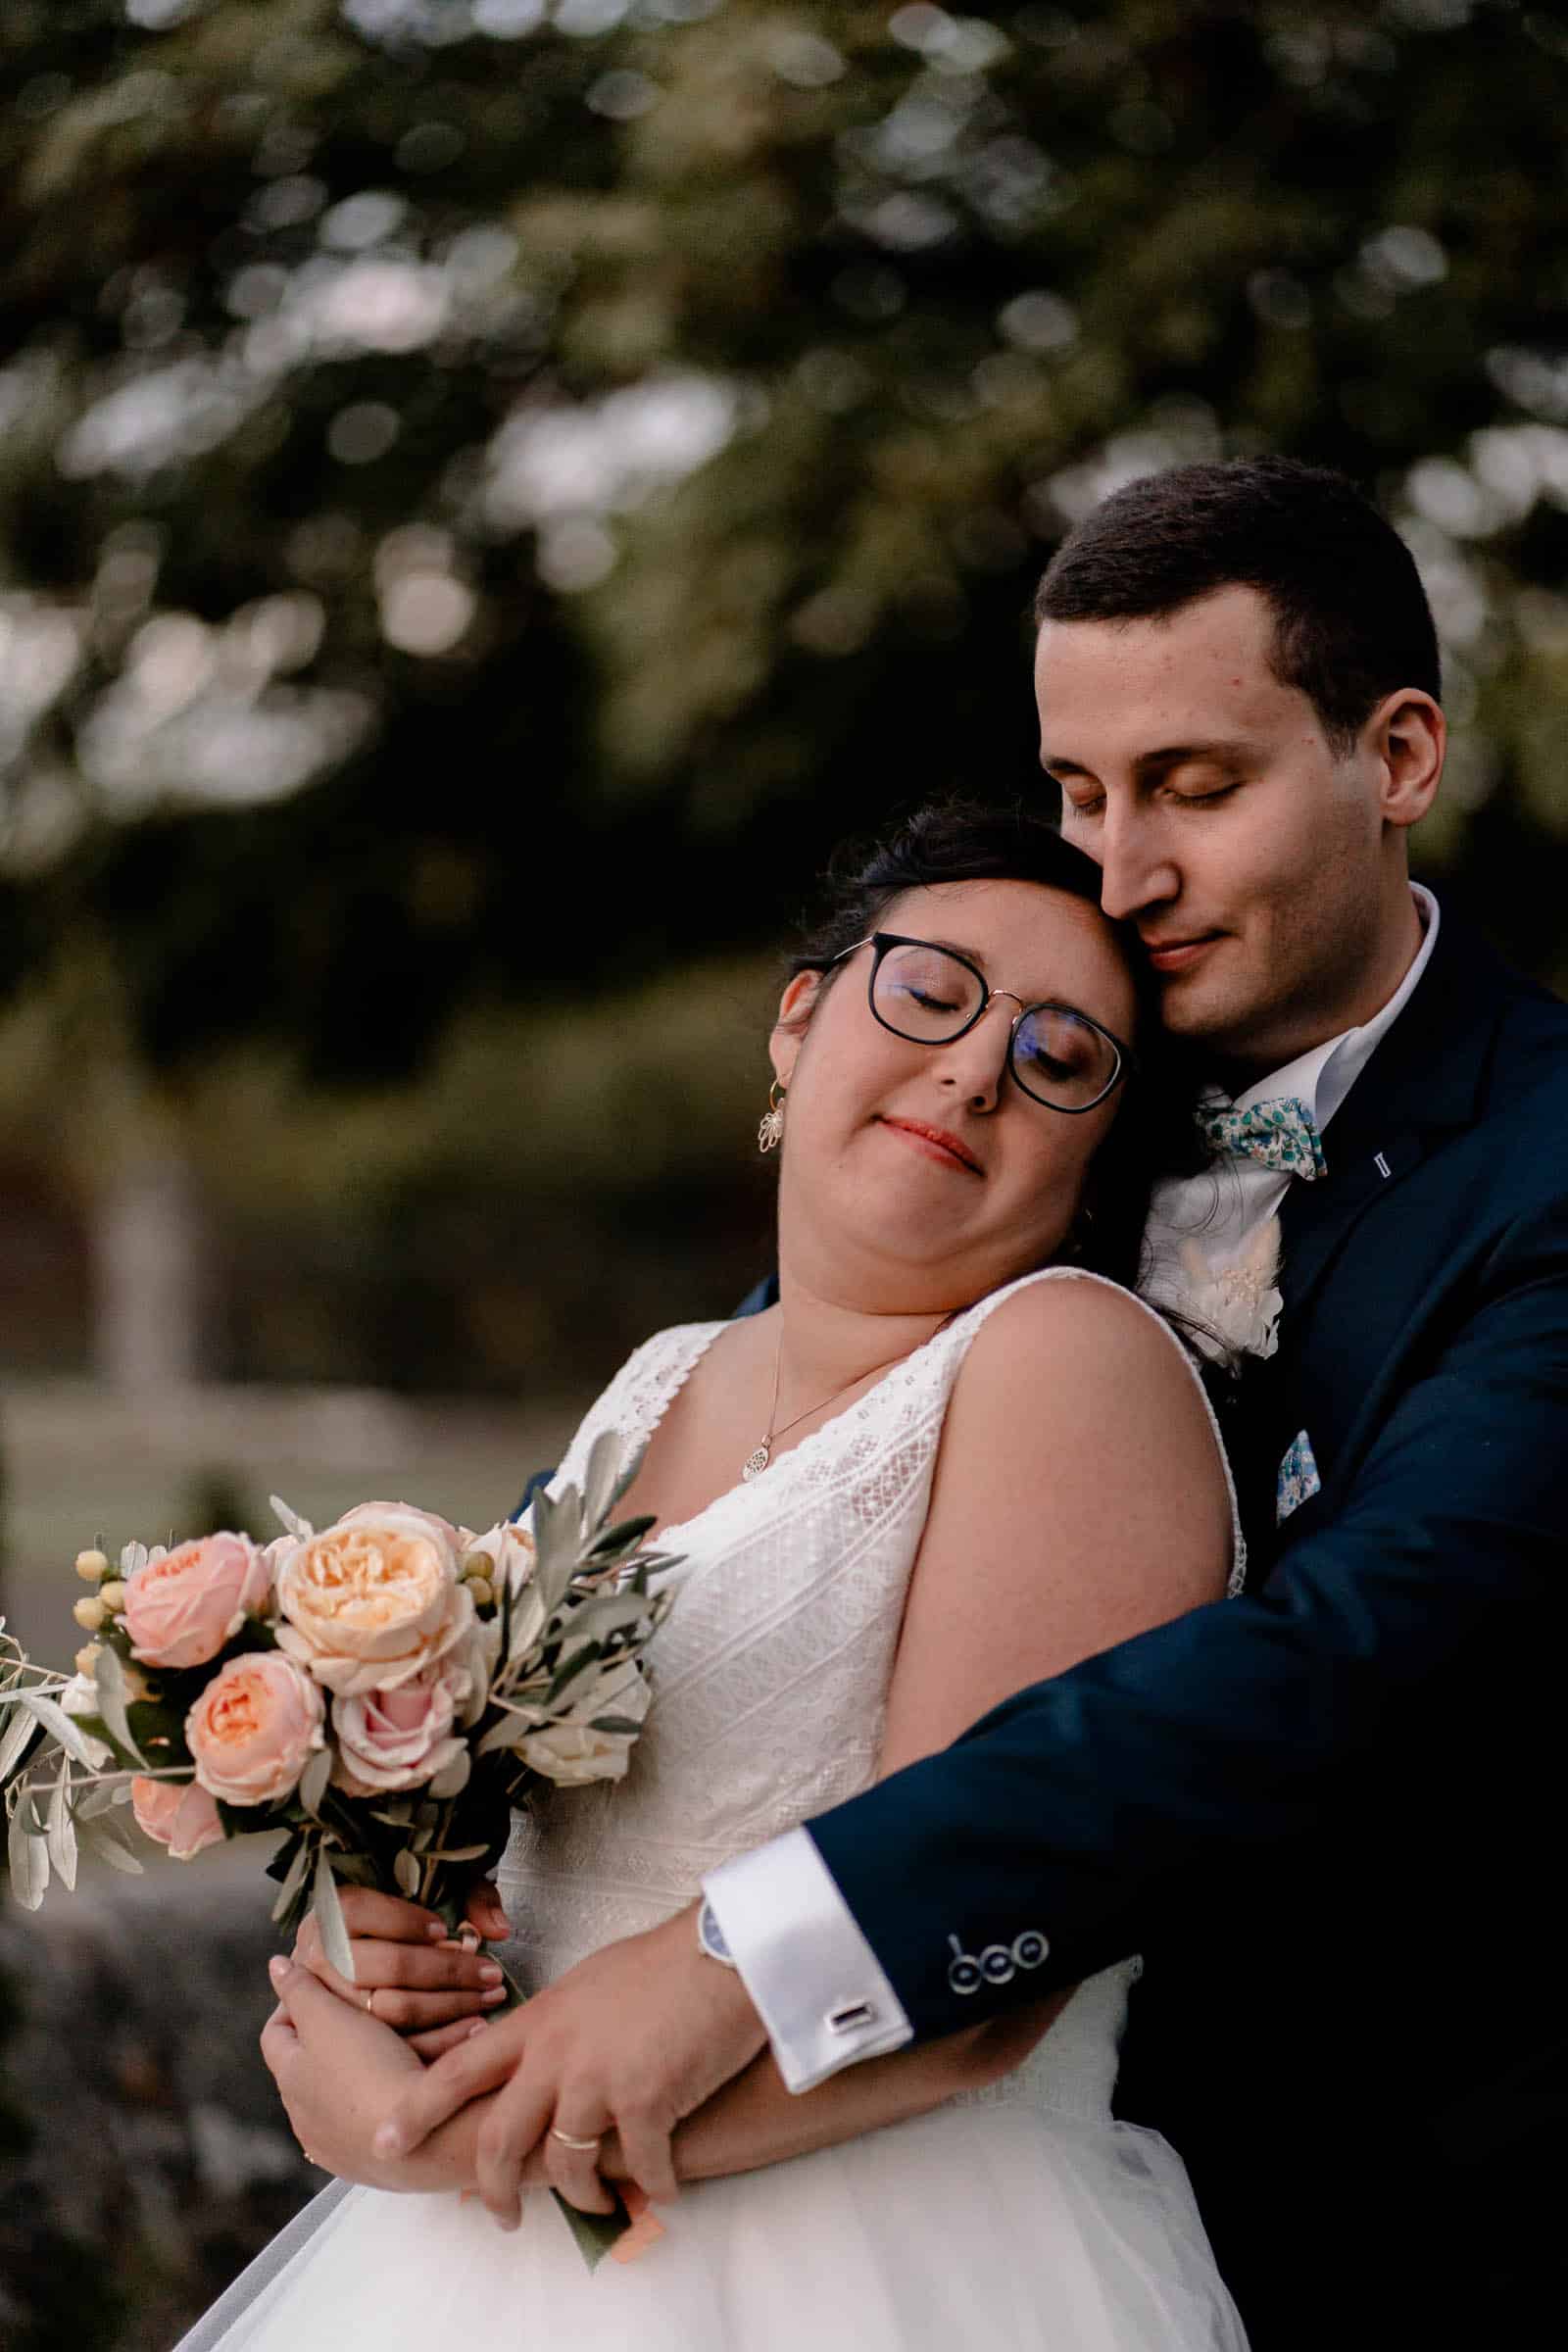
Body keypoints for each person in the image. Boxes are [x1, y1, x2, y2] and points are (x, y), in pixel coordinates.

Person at [339, 460, 1568, 2350]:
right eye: (1083, 792)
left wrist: (756, 1949)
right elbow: (707, 1525)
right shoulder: (1018, 1096)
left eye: (1197, 786)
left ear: (1396, 756)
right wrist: (369, 1899)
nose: (1122, 868)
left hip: (1406, 2194)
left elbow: (1349, 1649)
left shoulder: (1546, 1167)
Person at [184, 803, 1251, 2351]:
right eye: (931, 990)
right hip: (503, 2261)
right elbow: (515, 1843)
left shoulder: (1069, 1365)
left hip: (885, 2261)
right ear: (801, 1020)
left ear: (1099, 1156)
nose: (972, 1067)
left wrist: (459, 2141)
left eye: (1061, 1056)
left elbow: (980, 1969)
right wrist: (366, 1984)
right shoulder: (660, 1379)